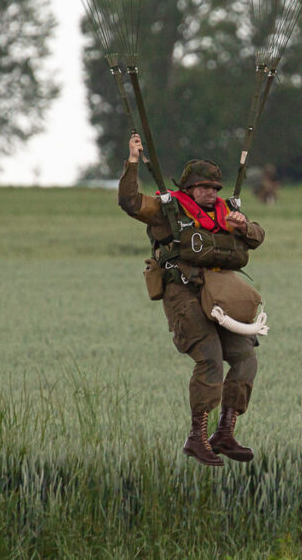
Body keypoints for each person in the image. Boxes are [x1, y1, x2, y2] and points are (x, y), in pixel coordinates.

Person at [118, 133, 265, 466]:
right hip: (182, 292)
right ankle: (196, 438)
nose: (210, 193)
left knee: (245, 356)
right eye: (203, 188)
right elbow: (129, 202)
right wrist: (131, 162)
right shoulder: (165, 210)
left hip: (220, 293)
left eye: (214, 188)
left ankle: (225, 431)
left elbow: (258, 236)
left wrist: (241, 227)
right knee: (210, 358)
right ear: (188, 189)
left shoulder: (227, 212)